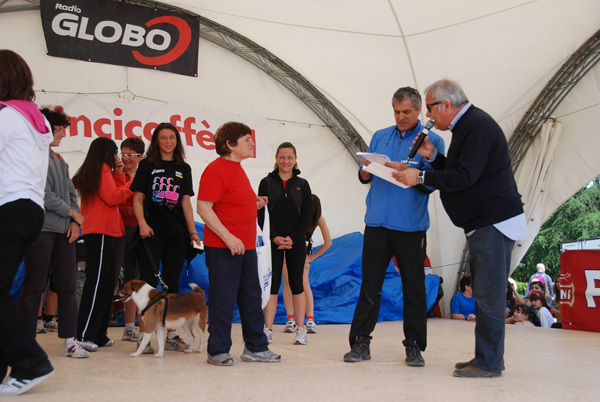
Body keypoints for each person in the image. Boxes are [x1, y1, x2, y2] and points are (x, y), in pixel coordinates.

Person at [392, 79, 529, 378]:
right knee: (484, 292)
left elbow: (464, 177)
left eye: (429, 108)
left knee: (489, 295)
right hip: (483, 223)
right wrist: (433, 157)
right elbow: (459, 171)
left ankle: (489, 362)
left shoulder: (476, 126)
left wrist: (421, 178)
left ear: (446, 105)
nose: (429, 116)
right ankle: (485, 357)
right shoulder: (467, 126)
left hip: (493, 222)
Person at [343, 87, 445, 367]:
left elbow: (436, 182)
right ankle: (360, 342)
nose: (401, 117)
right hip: (376, 223)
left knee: (414, 287)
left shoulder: (432, 141)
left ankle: (414, 346)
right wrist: (364, 171)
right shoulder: (380, 136)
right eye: (397, 112)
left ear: (419, 111)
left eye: (407, 112)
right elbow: (368, 172)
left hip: (410, 227)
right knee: (369, 284)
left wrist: (414, 175)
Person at [197, 121, 281, 366]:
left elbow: (228, 204)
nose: (251, 143)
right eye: (246, 139)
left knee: (251, 297)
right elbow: (203, 207)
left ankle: (256, 348)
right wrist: (229, 237)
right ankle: (218, 350)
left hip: (245, 246)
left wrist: (252, 204)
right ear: (230, 144)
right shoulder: (216, 169)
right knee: (223, 299)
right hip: (225, 247)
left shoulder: (237, 169)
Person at [0, 49, 54, 395]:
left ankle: (31, 362)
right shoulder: (37, 118)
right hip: (30, 211)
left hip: (7, 209)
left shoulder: (6, 117)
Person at [18, 105, 89, 359]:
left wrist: (74, 222)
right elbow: (44, 195)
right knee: (34, 286)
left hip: (65, 233)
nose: (62, 135)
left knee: (68, 286)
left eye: (62, 129)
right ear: (44, 129)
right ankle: (26, 344)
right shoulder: (34, 156)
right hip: (41, 230)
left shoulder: (60, 160)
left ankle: (71, 340)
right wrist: (72, 214)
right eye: (58, 129)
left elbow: (71, 194)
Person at [130, 123, 201, 352]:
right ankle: (146, 337)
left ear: (177, 141)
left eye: (172, 137)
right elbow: (138, 198)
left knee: (171, 284)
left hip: (176, 232)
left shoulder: (184, 168)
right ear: (156, 141)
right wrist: (142, 223)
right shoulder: (147, 165)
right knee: (148, 284)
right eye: (163, 138)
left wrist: (192, 231)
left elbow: (186, 202)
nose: (168, 141)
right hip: (151, 229)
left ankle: (169, 335)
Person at [72, 137, 133, 350]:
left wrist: (119, 175)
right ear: (106, 152)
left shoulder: (96, 170)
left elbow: (114, 194)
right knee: (98, 283)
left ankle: (98, 334)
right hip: (102, 232)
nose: (117, 156)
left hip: (109, 232)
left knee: (107, 284)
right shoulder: (100, 169)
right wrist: (132, 182)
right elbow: (113, 197)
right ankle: (85, 334)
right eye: (114, 152)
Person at [258, 142, 313, 345]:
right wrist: (273, 237)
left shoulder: (303, 185)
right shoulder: (266, 182)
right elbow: (260, 212)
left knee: (297, 284)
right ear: (276, 159)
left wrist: (294, 238)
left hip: (295, 242)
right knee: (272, 285)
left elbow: (307, 216)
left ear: (295, 159)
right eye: (282, 157)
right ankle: (267, 329)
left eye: (290, 157)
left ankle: (301, 329)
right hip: (272, 242)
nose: (286, 161)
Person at [114, 138, 148, 350]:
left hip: (140, 230)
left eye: (130, 155)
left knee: (137, 278)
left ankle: (134, 326)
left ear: (140, 157)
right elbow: (114, 203)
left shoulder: (145, 175)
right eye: (123, 154)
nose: (125, 159)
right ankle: (125, 326)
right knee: (119, 277)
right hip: (119, 230)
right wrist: (133, 210)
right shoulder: (115, 174)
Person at [281, 194, 332, 334]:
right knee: (290, 284)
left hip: (302, 253)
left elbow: (328, 242)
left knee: (302, 284)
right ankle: (292, 319)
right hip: (289, 251)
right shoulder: (296, 214)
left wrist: (311, 257)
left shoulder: (318, 218)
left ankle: (309, 319)